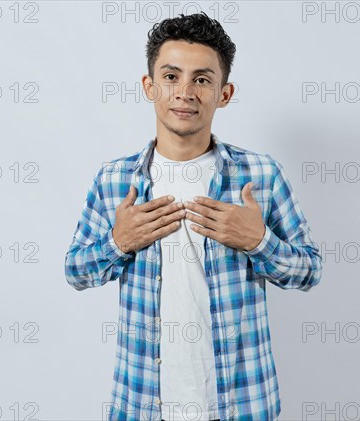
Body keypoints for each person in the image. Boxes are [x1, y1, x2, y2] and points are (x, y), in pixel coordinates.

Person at [64, 12, 323, 421]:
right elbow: (76, 271)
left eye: (202, 79)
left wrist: (260, 242)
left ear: (224, 92)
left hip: (242, 405)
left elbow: (309, 271)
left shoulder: (260, 175)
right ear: (150, 86)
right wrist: (119, 242)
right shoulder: (115, 179)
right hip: (144, 405)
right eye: (171, 76)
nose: (184, 92)